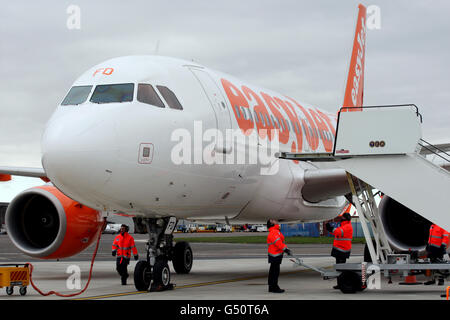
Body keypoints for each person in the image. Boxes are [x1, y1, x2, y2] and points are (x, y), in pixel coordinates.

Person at [326, 212, 353, 289]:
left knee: (341, 269)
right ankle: (340, 284)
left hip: (342, 250)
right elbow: (337, 233)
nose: (341, 219)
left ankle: (341, 284)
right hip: (340, 250)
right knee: (339, 268)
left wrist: (330, 228)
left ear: (345, 218)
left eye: (342, 218)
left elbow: (338, 232)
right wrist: (330, 229)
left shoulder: (347, 226)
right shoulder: (344, 225)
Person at [266, 219, 291, 293]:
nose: (276, 220)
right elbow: (278, 242)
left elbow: (280, 242)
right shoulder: (274, 231)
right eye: (273, 220)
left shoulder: (275, 230)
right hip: (275, 254)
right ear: (271, 223)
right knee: (275, 272)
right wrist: (286, 249)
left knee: (273, 271)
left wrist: (285, 248)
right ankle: (274, 287)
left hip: (276, 254)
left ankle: (271, 287)